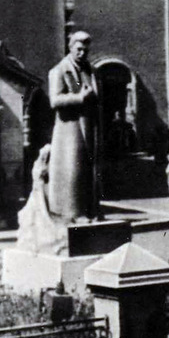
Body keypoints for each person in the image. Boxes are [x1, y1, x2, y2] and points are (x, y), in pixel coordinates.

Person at [47, 31, 99, 222]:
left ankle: (91, 210)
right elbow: (54, 100)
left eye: (85, 50)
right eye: (79, 49)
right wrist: (79, 98)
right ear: (70, 48)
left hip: (89, 126)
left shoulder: (90, 70)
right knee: (72, 171)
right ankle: (73, 213)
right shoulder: (59, 71)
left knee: (88, 170)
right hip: (70, 129)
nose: (82, 53)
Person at [15, 145, 68, 256]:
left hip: (43, 191)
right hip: (40, 192)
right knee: (40, 215)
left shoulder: (43, 167)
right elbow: (39, 180)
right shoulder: (42, 167)